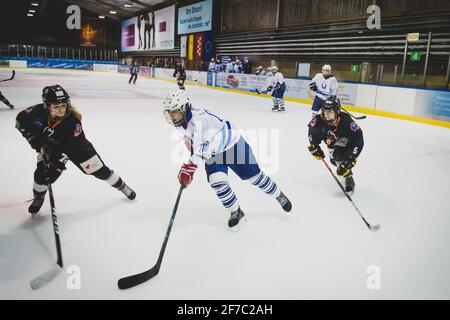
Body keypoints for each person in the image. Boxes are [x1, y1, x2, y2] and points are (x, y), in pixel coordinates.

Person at [163, 90, 292, 231]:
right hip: (213, 150)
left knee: (255, 178)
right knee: (217, 181)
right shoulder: (182, 120)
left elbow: (201, 151)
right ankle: (236, 211)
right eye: (169, 111)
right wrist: (190, 144)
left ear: (184, 108)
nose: (171, 115)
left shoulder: (199, 120)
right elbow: (199, 145)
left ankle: (278, 195)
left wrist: (188, 168)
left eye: (174, 111)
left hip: (233, 144)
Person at [16, 85, 136, 215]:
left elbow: (70, 148)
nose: (61, 110)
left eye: (63, 105)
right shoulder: (33, 113)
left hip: (78, 148)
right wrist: (37, 143)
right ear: (46, 106)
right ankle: (38, 197)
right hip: (50, 146)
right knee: (41, 176)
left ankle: (122, 186)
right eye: (56, 107)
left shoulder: (72, 122)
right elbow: (20, 121)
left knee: (101, 171)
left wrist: (57, 165)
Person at [307, 98, 364, 194]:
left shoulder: (347, 122)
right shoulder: (318, 120)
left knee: (340, 158)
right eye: (324, 111)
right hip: (332, 143)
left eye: (330, 111)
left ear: (337, 112)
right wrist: (314, 146)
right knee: (334, 161)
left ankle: (348, 177)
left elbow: (358, 138)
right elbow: (312, 133)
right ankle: (342, 165)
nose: (326, 114)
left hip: (345, 142)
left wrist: (351, 158)